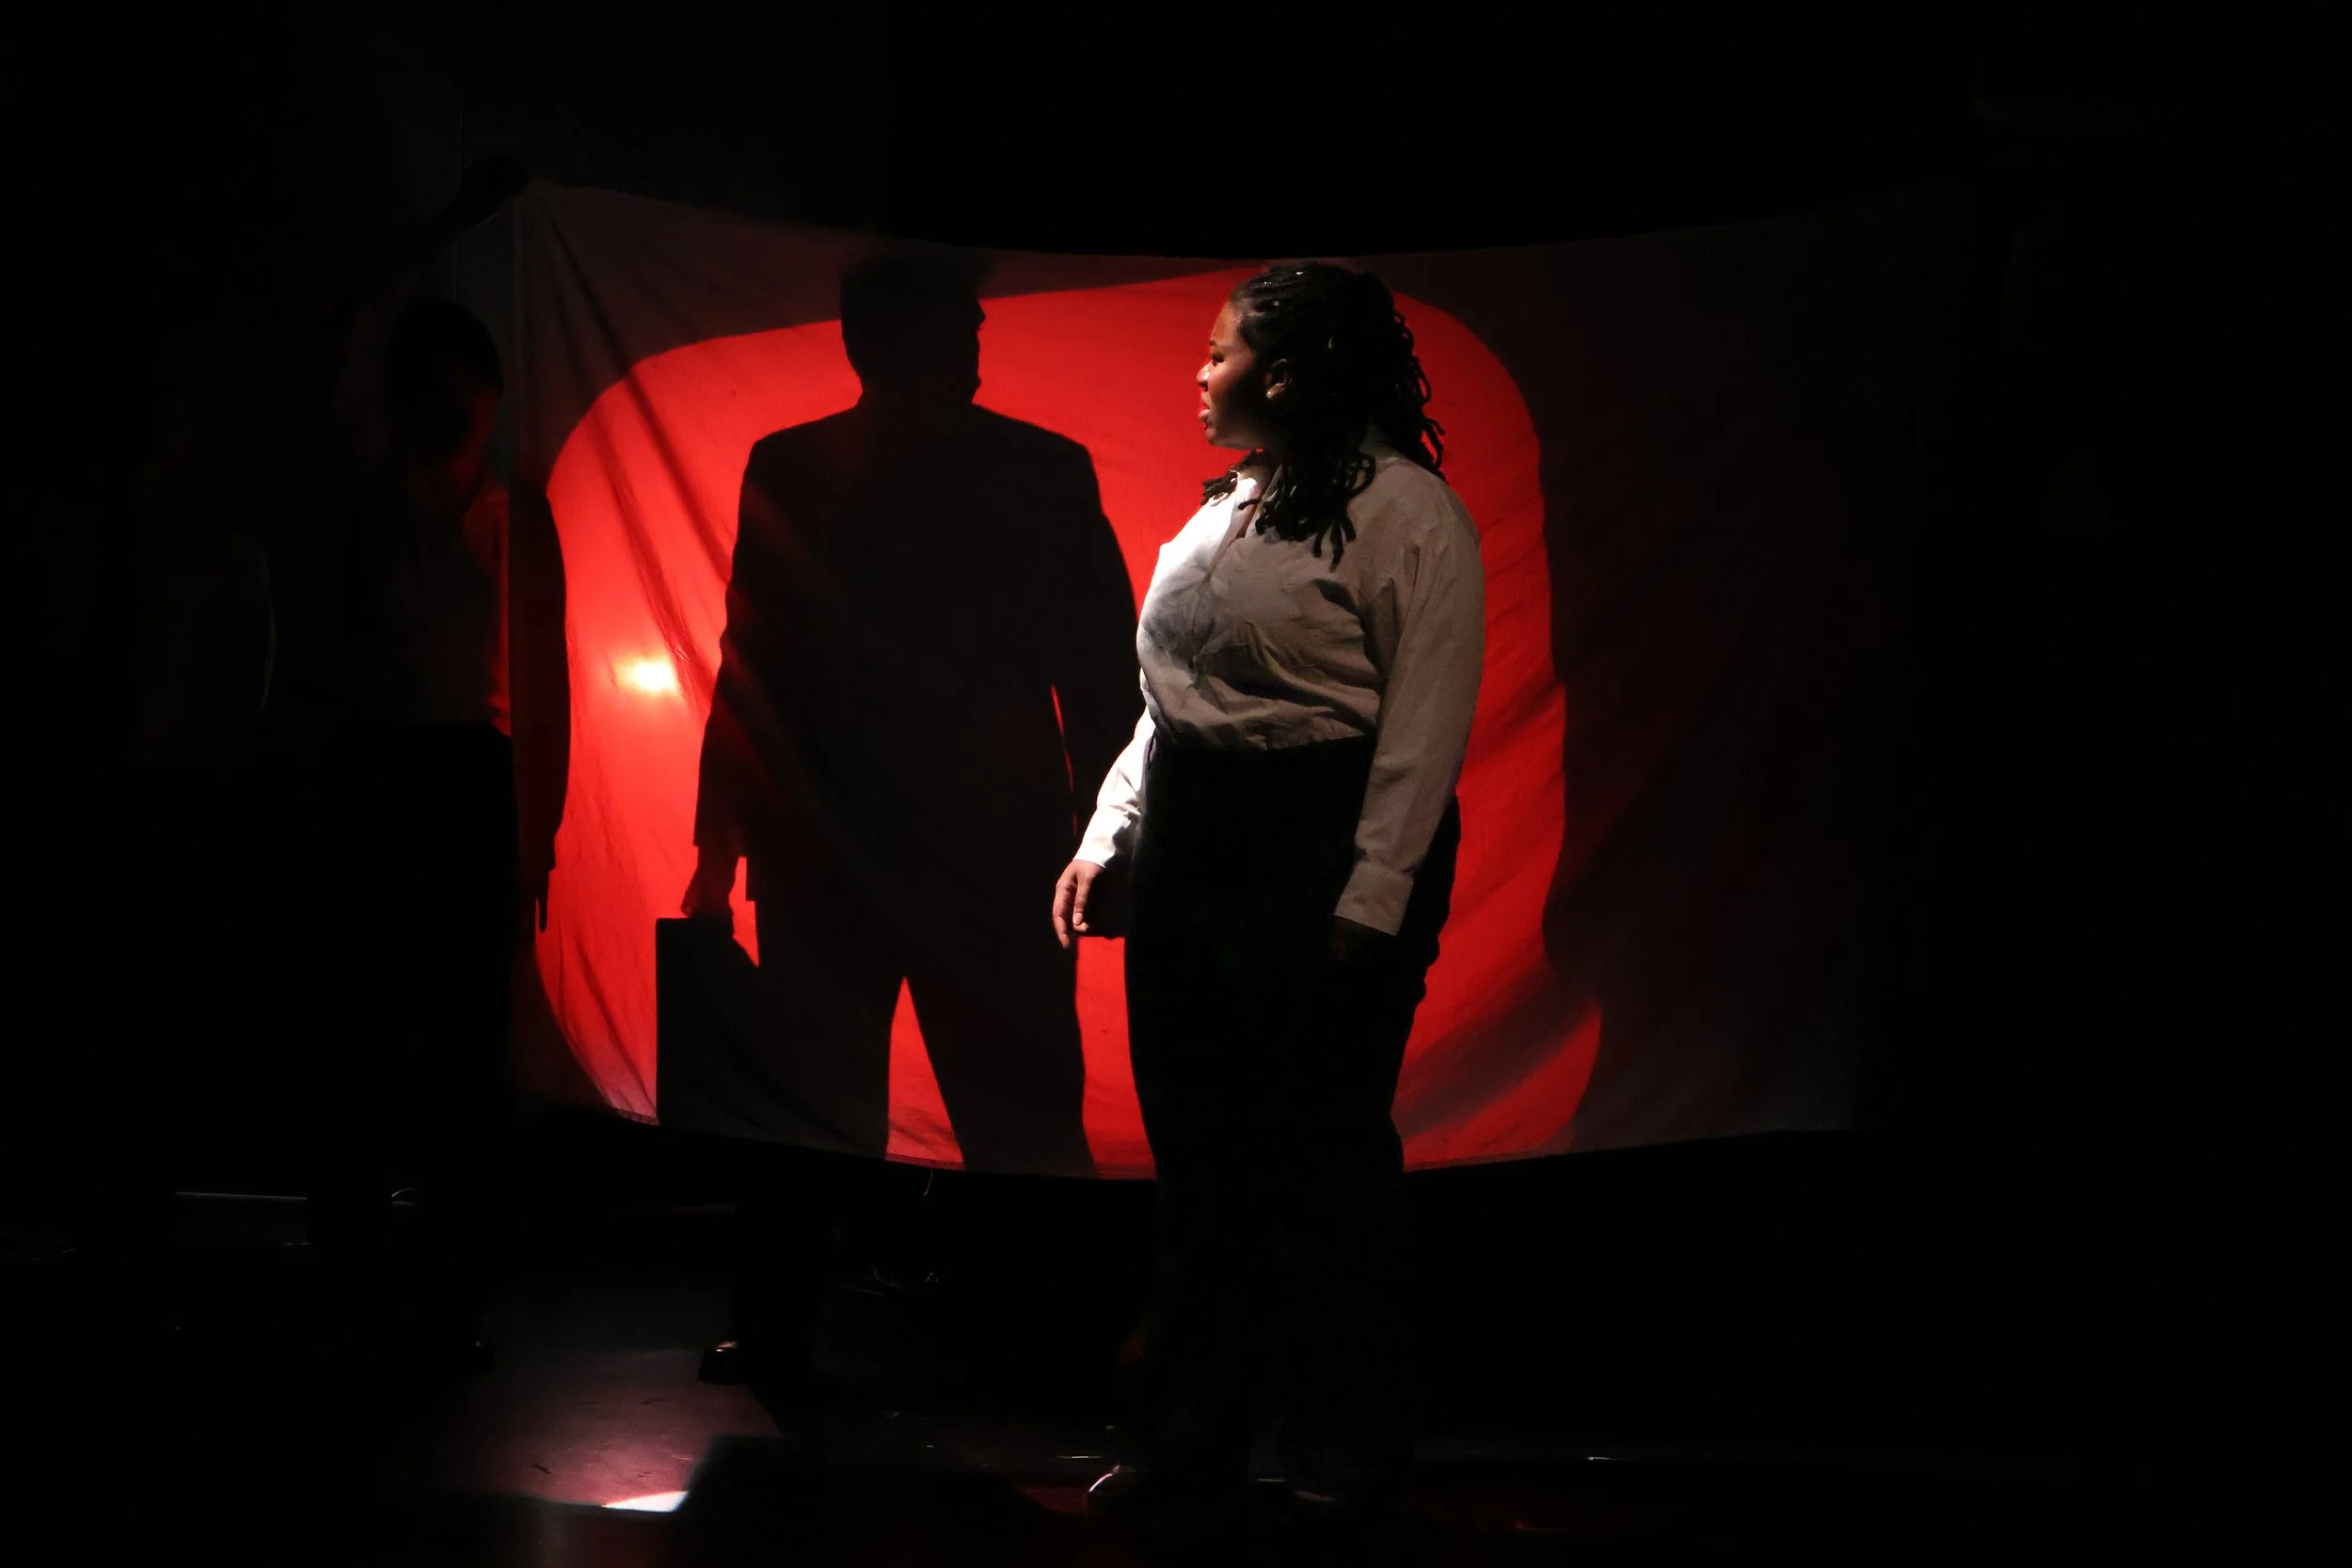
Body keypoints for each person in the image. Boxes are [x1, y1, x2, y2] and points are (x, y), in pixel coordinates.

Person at [1054, 262, 1484, 1560]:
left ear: (1286, 375)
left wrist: (1371, 895)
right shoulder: (1226, 508)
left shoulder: (1407, 512)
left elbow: (1423, 726)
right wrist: (1111, 833)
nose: (1201, 372)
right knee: (1200, 1158)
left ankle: (1342, 1444)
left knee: (1319, 1158)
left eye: (1220, 351)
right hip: (1200, 839)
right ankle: (1192, 1440)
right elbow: (1172, 696)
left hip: (1317, 838)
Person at [682, 253, 1139, 1389]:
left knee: (813, 1106)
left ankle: (781, 1327)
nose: (978, 339)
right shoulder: (1040, 468)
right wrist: (1110, 838)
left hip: (831, 842)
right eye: (964, 324)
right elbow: (1098, 675)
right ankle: (1051, 1340)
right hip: (984, 849)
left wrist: (720, 844)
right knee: (1015, 1107)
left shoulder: (793, 464)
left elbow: (752, 666)